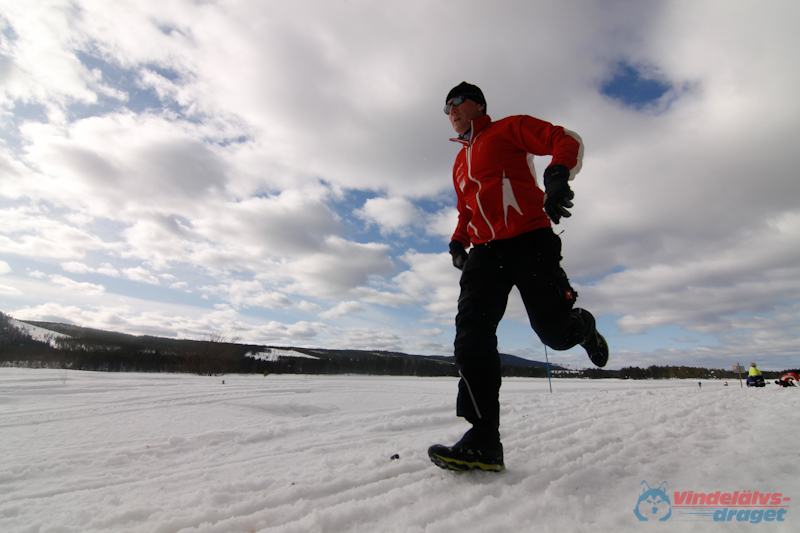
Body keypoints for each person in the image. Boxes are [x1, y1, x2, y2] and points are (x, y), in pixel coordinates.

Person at [428, 82, 609, 473]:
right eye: (445, 107)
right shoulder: (459, 163)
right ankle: (483, 440)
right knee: (470, 335)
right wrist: (458, 242)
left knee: (554, 334)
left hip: (529, 240)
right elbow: (466, 210)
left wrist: (557, 173)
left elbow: (564, 139)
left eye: (456, 101)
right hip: (484, 252)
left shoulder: (509, 128)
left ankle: (581, 326)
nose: (450, 110)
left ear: (478, 104)